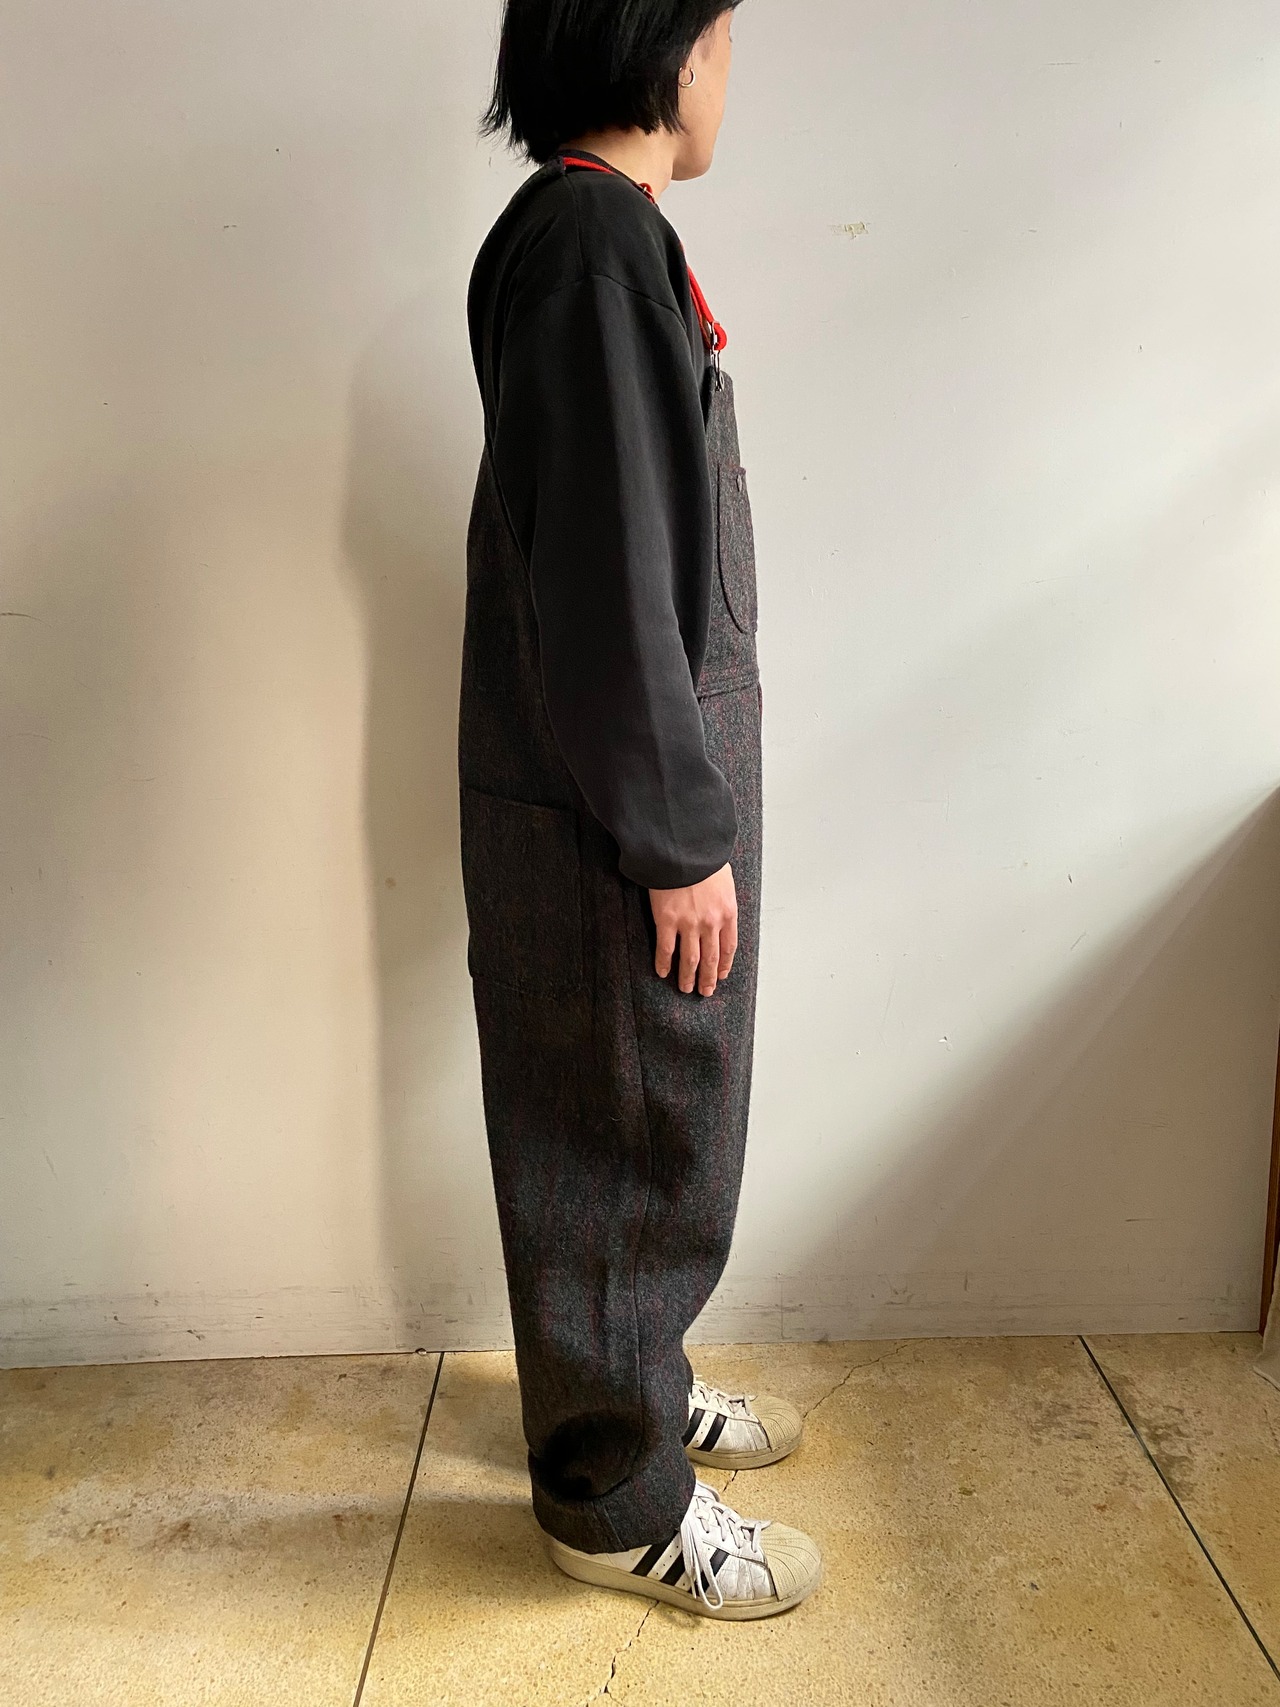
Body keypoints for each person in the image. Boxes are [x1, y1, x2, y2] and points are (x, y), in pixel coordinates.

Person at [459, 0, 823, 1618]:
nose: (730, 75)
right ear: (664, 46)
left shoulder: (588, 237)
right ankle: (612, 1504)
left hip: (614, 789)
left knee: (636, 1121)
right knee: (625, 1130)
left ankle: (633, 1391)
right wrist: (676, 840)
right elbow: (610, 578)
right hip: (617, 815)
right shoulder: (595, 245)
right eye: (726, 36)